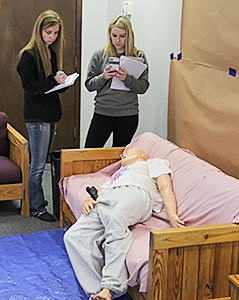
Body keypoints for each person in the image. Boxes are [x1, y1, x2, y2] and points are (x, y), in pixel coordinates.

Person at [64, 147, 185, 300]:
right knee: (73, 236)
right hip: (108, 197)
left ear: (141, 154)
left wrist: (172, 213)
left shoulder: (152, 163)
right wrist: (89, 200)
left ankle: (110, 287)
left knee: (116, 221)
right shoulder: (118, 173)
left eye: (128, 152)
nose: (122, 154)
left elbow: (165, 187)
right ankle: (97, 290)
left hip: (136, 193)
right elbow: (101, 191)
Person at [17, 10, 68, 222]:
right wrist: (53, 81)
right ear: (39, 31)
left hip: (50, 114)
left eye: (55, 33)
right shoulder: (28, 55)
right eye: (48, 32)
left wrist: (63, 82)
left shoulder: (51, 53)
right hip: (37, 116)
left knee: (42, 161)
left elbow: (51, 86)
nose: (52, 37)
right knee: (37, 164)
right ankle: (36, 207)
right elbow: (31, 87)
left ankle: (38, 201)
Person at [84, 15, 149, 148]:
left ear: (129, 35)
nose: (117, 40)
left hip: (127, 114)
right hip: (103, 112)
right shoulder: (100, 55)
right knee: (90, 151)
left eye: (122, 36)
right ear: (109, 35)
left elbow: (143, 87)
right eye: (114, 35)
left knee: (119, 156)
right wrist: (104, 77)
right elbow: (89, 85)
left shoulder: (139, 56)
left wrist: (127, 79)